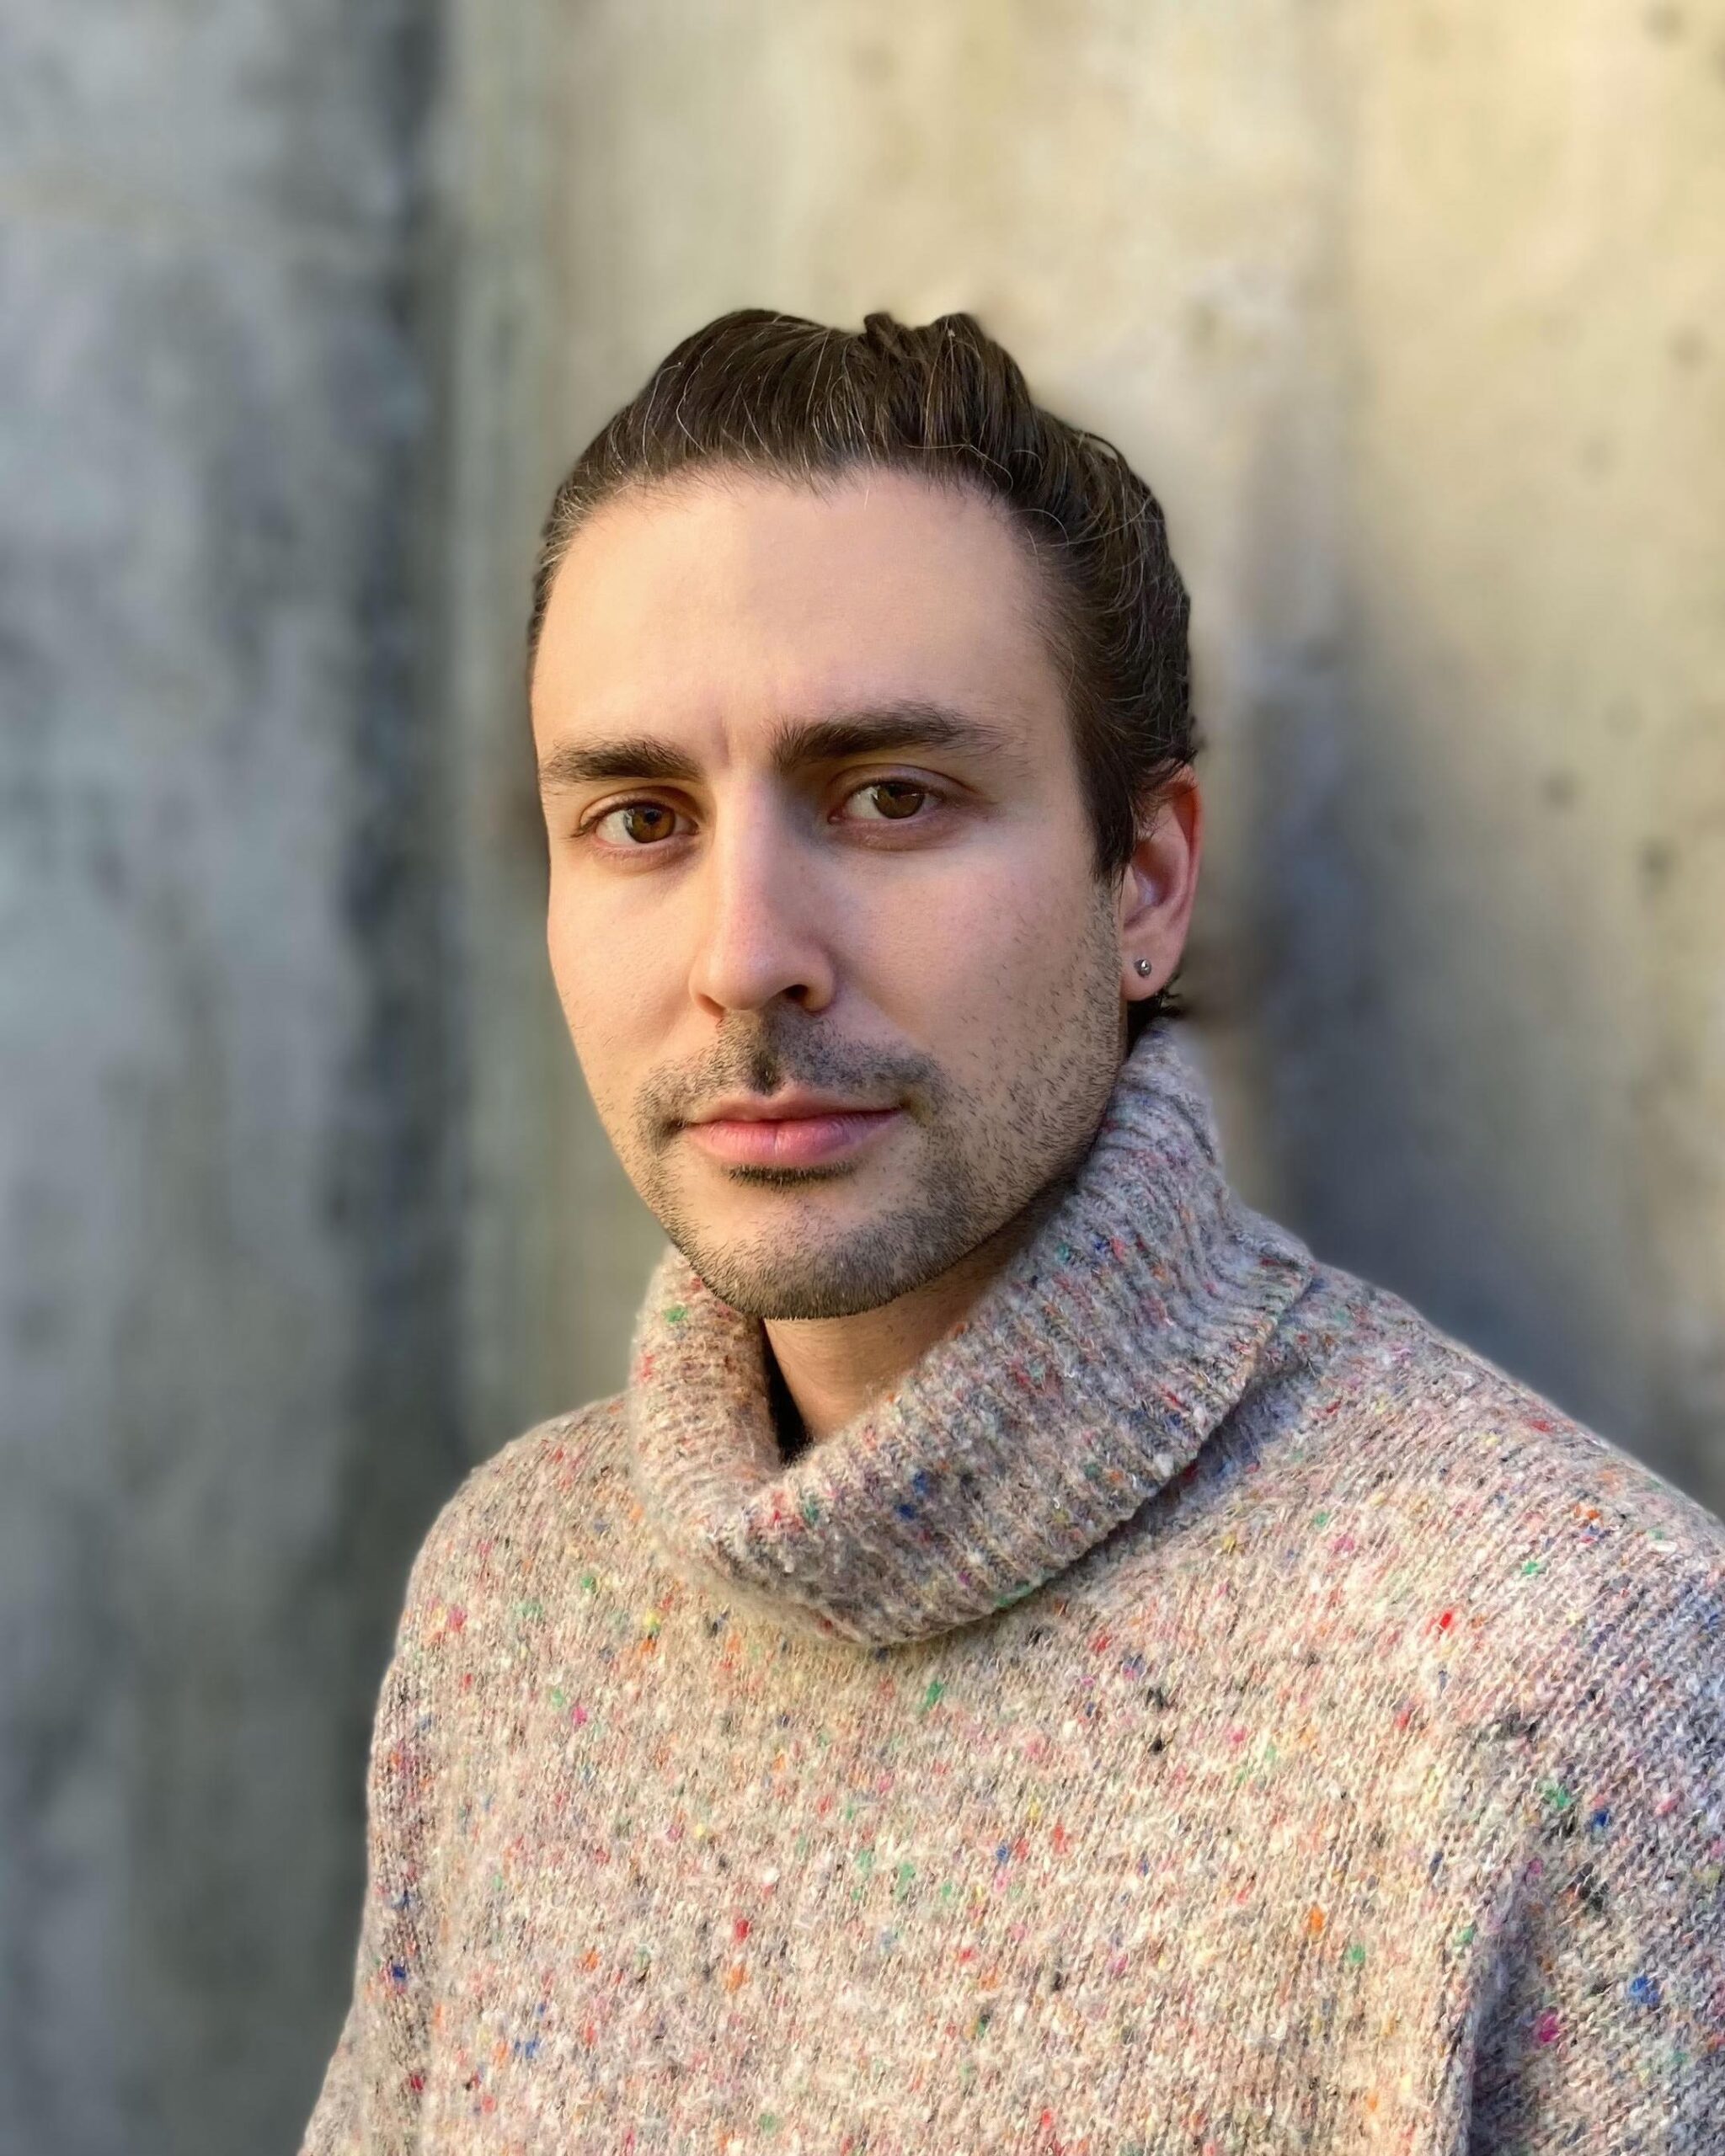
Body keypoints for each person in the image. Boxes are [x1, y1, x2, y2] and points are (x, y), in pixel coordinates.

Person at [301, 311, 1724, 2153]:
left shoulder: (1567, 1678)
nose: (745, 953)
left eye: (890, 796)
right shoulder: (511, 1602)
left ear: (1142, 883)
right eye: (640, 816)